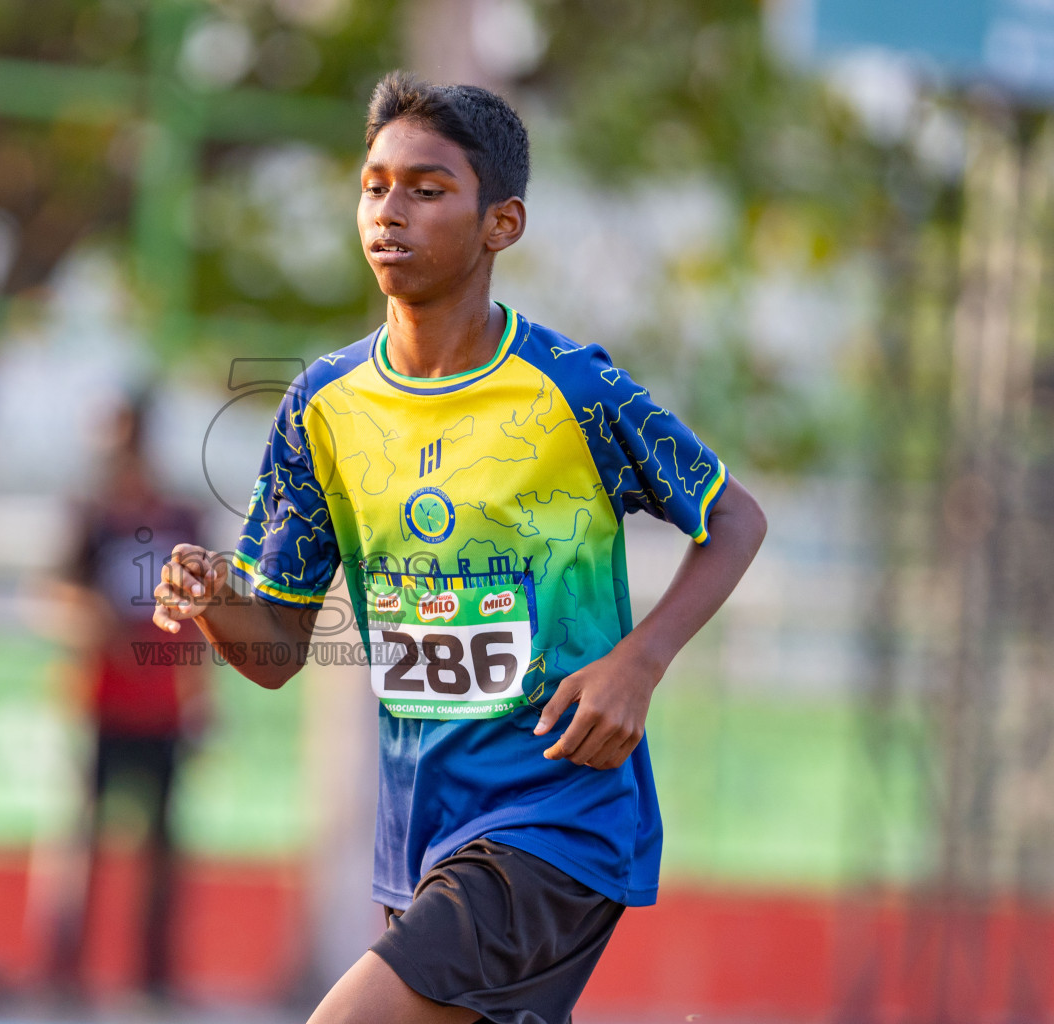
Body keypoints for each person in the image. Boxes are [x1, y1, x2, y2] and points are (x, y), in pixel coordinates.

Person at [152, 73, 767, 1024]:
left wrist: (639, 661)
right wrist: (209, 599)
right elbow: (274, 650)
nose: (388, 211)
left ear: (501, 224)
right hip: (423, 838)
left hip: (558, 819)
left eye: (427, 189)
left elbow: (733, 517)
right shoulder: (323, 405)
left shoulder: (572, 389)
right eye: (374, 185)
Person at [61, 395, 206, 999]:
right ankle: (67, 968)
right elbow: (58, 593)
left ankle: (156, 975)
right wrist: (91, 619)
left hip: (165, 706)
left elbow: (209, 612)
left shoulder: (180, 520)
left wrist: (201, 694)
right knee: (84, 839)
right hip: (103, 703)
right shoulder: (92, 518)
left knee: (165, 845)